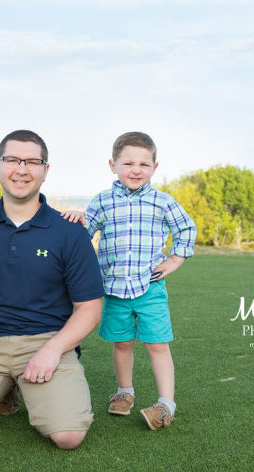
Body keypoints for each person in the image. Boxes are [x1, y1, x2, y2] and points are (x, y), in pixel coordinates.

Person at [0, 129, 104, 450]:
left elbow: (90, 308)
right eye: (13, 160)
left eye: (32, 161)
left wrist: (53, 349)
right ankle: (6, 385)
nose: (22, 169)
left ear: (45, 170)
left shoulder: (70, 232)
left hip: (47, 341)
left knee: (68, 436)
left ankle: (23, 383)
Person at [62, 131, 196, 430]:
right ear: (113, 165)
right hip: (113, 289)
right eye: (128, 163)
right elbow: (84, 233)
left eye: (144, 164)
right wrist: (77, 217)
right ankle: (125, 393)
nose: (136, 170)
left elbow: (186, 228)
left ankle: (166, 404)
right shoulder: (103, 201)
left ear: (154, 168)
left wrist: (175, 260)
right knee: (122, 343)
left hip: (150, 287)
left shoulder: (163, 202)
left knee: (157, 345)